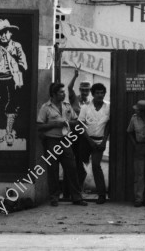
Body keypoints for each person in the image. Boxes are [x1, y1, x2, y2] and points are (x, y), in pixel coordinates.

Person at [37, 82, 87, 207]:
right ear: (53, 94)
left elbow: (75, 120)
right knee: (53, 170)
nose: (64, 94)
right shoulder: (45, 108)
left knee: (71, 168)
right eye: (61, 92)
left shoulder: (67, 106)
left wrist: (71, 124)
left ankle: (76, 197)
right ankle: (54, 197)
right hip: (51, 141)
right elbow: (39, 126)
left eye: (64, 92)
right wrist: (55, 124)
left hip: (65, 141)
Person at [0, 19, 27, 147]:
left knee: (11, 106)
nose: (2, 35)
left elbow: (24, 65)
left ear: (11, 33)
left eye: (5, 32)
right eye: (0, 33)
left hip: (13, 81)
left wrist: (13, 61)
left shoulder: (17, 46)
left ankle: (9, 134)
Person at [78, 83, 110, 204]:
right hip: (86, 140)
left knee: (96, 165)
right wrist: (90, 141)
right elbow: (80, 125)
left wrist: (104, 140)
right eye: (97, 93)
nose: (100, 95)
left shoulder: (108, 107)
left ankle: (101, 195)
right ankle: (76, 194)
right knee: (80, 166)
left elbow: (108, 125)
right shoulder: (86, 107)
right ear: (93, 94)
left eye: (102, 92)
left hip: (100, 141)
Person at [62, 67, 90, 196]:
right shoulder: (75, 99)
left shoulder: (91, 103)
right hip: (72, 135)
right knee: (70, 163)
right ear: (80, 90)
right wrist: (75, 76)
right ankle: (69, 191)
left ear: (89, 91)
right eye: (83, 89)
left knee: (81, 165)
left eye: (87, 90)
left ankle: (78, 190)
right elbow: (69, 88)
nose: (84, 91)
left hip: (84, 137)